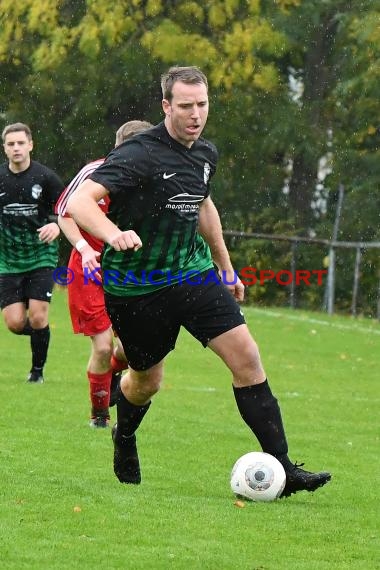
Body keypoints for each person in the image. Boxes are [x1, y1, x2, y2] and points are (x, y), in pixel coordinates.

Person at [66, 66, 331, 497]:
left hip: (193, 272)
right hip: (138, 287)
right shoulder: (139, 153)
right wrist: (112, 233)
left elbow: (203, 207)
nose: (195, 114)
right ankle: (125, 436)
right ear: (166, 106)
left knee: (247, 356)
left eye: (202, 104)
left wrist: (226, 267)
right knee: (145, 380)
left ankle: (284, 470)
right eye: (185, 106)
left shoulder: (205, 153)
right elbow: (79, 201)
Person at [56, 120, 153, 427]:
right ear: (119, 150)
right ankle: (99, 415)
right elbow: (64, 214)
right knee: (102, 345)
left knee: (130, 349)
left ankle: (110, 372)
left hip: (130, 273)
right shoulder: (94, 173)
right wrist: (84, 248)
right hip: (89, 270)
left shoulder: (154, 180)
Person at [0, 122, 64, 383]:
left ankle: (37, 372)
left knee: (38, 315)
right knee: (15, 324)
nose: (16, 148)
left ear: (30, 145)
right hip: (7, 260)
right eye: (10, 144)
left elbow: (67, 210)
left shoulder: (46, 178)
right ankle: (43, 333)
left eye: (20, 143)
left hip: (41, 255)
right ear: (4, 148)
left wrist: (56, 225)